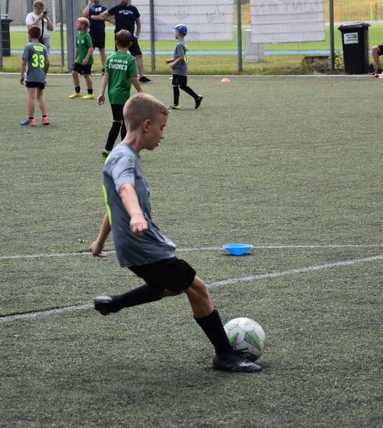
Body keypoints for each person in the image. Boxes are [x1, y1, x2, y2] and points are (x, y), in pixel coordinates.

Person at [88, 92, 262, 373]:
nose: (163, 135)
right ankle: (225, 356)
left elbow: (112, 204)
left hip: (136, 246)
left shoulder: (121, 155)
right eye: (162, 127)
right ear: (146, 125)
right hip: (143, 246)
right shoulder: (125, 160)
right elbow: (124, 190)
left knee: (168, 286)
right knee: (197, 288)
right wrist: (135, 215)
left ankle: (116, 303)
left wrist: (99, 241)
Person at [97, 30, 142, 158]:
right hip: (122, 95)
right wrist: (141, 92)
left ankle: (112, 149)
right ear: (130, 44)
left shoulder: (110, 58)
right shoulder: (130, 59)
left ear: (116, 43)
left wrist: (101, 93)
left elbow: (105, 77)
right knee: (120, 122)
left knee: (120, 121)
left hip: (112, 95)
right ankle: (117, 149)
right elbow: (134, 79)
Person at [91, 0, 151, 83]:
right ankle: (118, 76)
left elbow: (138, 23)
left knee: (138, 55)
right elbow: (103, 15)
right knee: (119, 57)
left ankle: (142, 76)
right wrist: (97, 18)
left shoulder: (133, 9)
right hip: (120, 37)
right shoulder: (116, 8)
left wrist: (136, 35)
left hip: (130, 37)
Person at [166, 24, 202, 110]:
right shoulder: (182, 43)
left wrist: (173, 64)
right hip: (182, 69)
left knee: (176, 85)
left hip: (179, 69)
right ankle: (197, 97)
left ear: (179, 33)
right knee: (182, 86)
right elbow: (181, 56)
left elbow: (181, 57)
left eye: (176, 32)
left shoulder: (179, 45)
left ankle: (176, 104)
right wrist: (171, 60)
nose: (175, 33)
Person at [20, 26, 50, 126]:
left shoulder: (28, 46)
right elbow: (47, 63)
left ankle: (31, 119)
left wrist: (22, 75)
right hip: (41, 76)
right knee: (40, 96)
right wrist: (44, 75)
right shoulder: (43, 47)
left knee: (31, 97)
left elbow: (24, 62)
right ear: (40, 35)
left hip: (31, 76)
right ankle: (45, 118)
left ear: (29, 35)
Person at [69, 17, 95, 99]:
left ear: (83, 25)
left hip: (86, 60)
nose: (76, 25)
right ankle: (77, 92)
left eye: (78, 23)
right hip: (79, 60)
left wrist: (86, 58)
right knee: (74, 73)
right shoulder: (78, 35)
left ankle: (90, 93)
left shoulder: (87, 35)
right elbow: (77, 47)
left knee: (86, 76)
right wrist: (76, 57)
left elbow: (91, 48)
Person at [83, 0, 107, 73]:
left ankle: (104, 68)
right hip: (92, 31)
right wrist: (89, 3)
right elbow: (84, 15)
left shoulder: (103, 8)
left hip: (100, 31)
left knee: (102, 50)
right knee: (90, 50)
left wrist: (94, 17)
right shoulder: (90, 8)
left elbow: (104, 17)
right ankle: (88, 68)